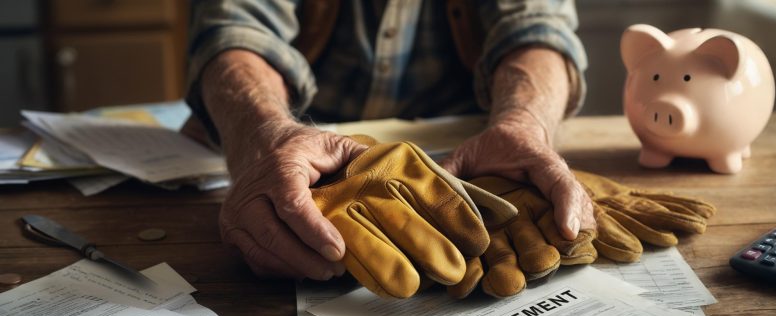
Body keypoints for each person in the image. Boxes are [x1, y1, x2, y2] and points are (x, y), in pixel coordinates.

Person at [185, 0, 595, 282]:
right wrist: (266, 138)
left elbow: (539, 29)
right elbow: (235, 30)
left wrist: (524, 125)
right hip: (309, 156)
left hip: (471, 161)